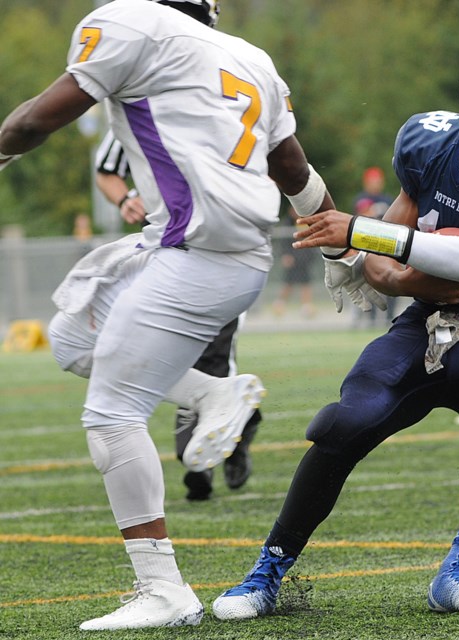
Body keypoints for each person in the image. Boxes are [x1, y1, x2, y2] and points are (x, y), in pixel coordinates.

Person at [0, 0, 368, 630]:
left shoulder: (131, 25)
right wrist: (339, 241)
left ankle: (162, 587)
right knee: (71, 338)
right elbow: (294, 171)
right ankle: (213, 394)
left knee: (112, 416)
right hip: (208, 250)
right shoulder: (248, 57)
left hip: (200, 255)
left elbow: (36, 120)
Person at [212, 25, 459, 621]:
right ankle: (266, 572)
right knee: (343, 423)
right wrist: (402, 268)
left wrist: (362, 234)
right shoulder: (434, 143)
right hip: (424, 330)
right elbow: (383, 272)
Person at [94, 129, 263, 501]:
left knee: (212, 354)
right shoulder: (135, 105)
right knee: (157, 352)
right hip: (164, 255)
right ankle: (239, 422)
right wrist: (126, 200)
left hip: (223, 251)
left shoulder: (214, 101)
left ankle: (202, 457)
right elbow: (106, 169)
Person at [351, 166, 399, 328]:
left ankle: (390, 317)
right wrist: (375, 210)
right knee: (369, 284)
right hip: (366, 247)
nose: (376, 184)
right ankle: (371, 319)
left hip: (385, 247)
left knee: (391, 281)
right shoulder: (362, 198)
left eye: (378, 181)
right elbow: (362, 214)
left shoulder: (387, 199)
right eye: (373, 181)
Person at [272, 205, 318, 318]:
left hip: (304, 258)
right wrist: (285, 255)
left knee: (306, 282)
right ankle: (279, 305)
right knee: (289, 283)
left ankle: (306, 307)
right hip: (292, 258)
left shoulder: (307, 222)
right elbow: (284, 243)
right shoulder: (287, 223)